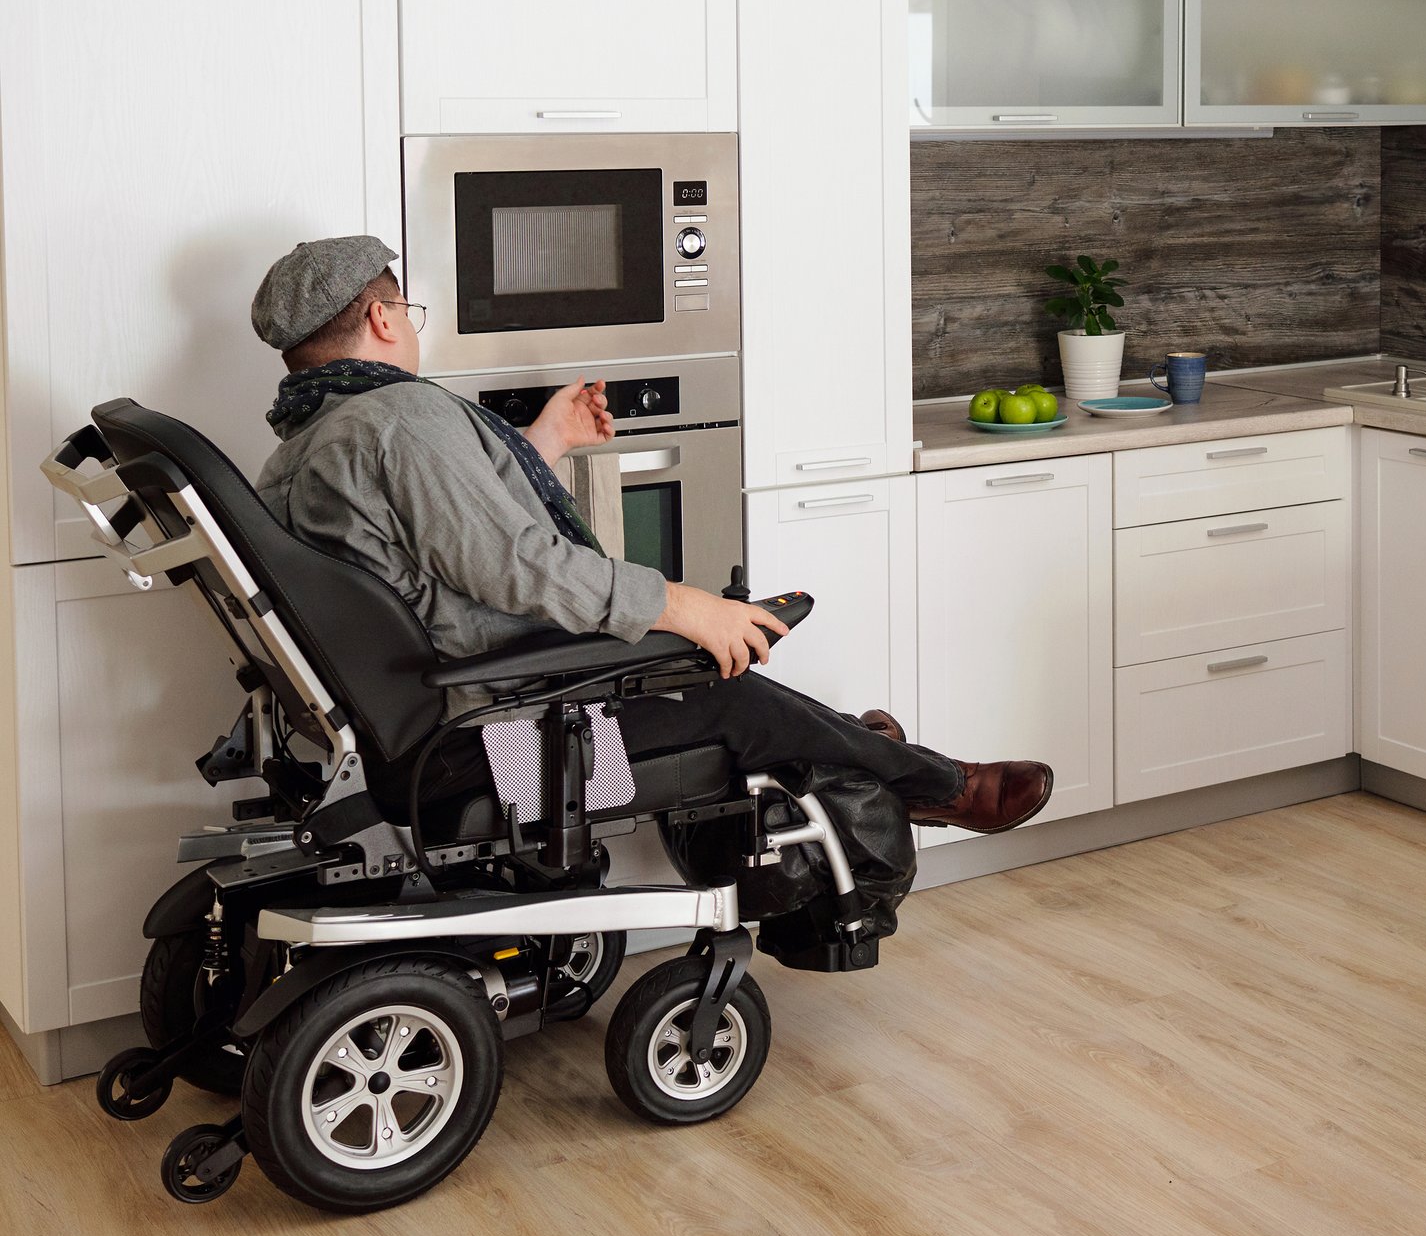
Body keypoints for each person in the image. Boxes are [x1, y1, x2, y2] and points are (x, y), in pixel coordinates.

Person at [246, 235, 1051, 869]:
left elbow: (435, 550)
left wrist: (545, 442)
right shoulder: (399, 420)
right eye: (408, 309)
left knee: (720, 674)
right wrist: (682, 604)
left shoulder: (301, 451)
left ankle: (874, 750)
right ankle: (939, 784)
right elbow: (516, 565)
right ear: (383, 318)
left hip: (424, 738)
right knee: (732, 695)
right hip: (504, 748)